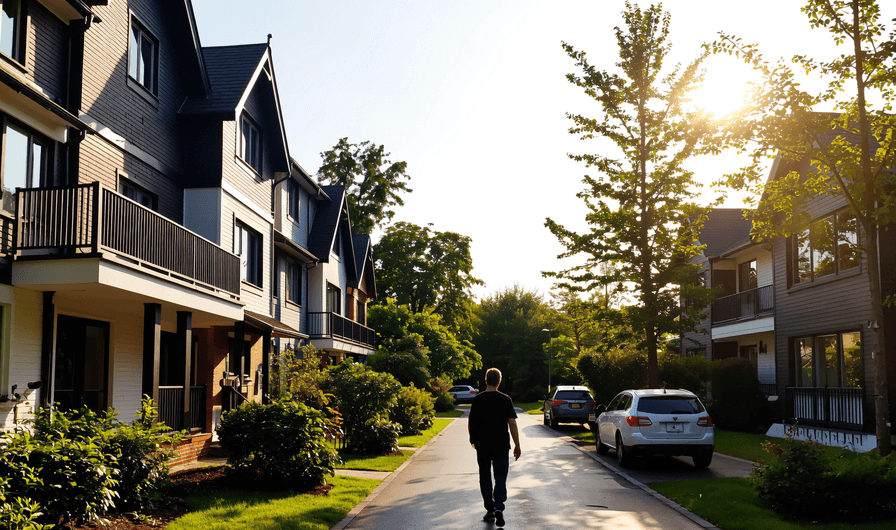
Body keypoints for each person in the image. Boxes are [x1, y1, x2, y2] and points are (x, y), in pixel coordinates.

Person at [468, 367, 521, 527]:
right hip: (501, 445)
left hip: (482, 445)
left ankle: (490, 511)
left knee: (484, 477)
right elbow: (512, 423)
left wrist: (473, 441)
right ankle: (499, 507)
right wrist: (517, 445)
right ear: (499, 381)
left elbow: (471, 424)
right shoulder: (505, 399)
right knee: (500, 477)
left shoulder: (478, 400)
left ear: (486, 381)